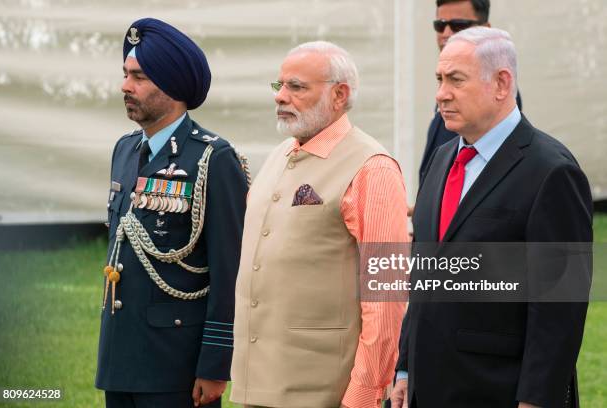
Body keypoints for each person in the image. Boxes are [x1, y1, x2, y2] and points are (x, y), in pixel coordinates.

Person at [391, 27, 592, 408]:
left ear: (502, 83)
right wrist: (404, 367)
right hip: (427, 387)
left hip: (495, 390)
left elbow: (559, 310)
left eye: (455, 80)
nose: (441, 94)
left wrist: (536, 400)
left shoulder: (551, 171)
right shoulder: (442, 159)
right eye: (439, 80)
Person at [229, 41, 409, 408]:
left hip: (324, 393)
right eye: (278, 86)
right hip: (259, 387)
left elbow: (387, 298)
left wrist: (363, 395)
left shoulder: (372, 167)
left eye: (296, 87)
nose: (280, 97)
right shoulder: (280, 154)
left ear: (339, 95)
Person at [95, 18, 249, 408]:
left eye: (140, 77)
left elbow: (230, 268)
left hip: (174, 363)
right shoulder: (125, 149)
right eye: (126, 74)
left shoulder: (214, 159)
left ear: (175, 87)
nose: (125, 87)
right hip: (121, 354)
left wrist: (216, 364)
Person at [419, 0, 522, 186]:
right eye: (440, 25)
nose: (447, 34)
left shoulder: (495, 99)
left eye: (459, 25)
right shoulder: (451, 96)